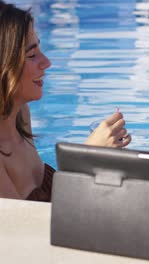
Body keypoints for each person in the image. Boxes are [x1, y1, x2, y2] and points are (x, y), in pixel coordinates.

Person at [0, 1, 131, 201]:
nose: (47, 62)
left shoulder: (20, 116)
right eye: (32, 54)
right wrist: (87, 156)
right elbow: (23, 229)